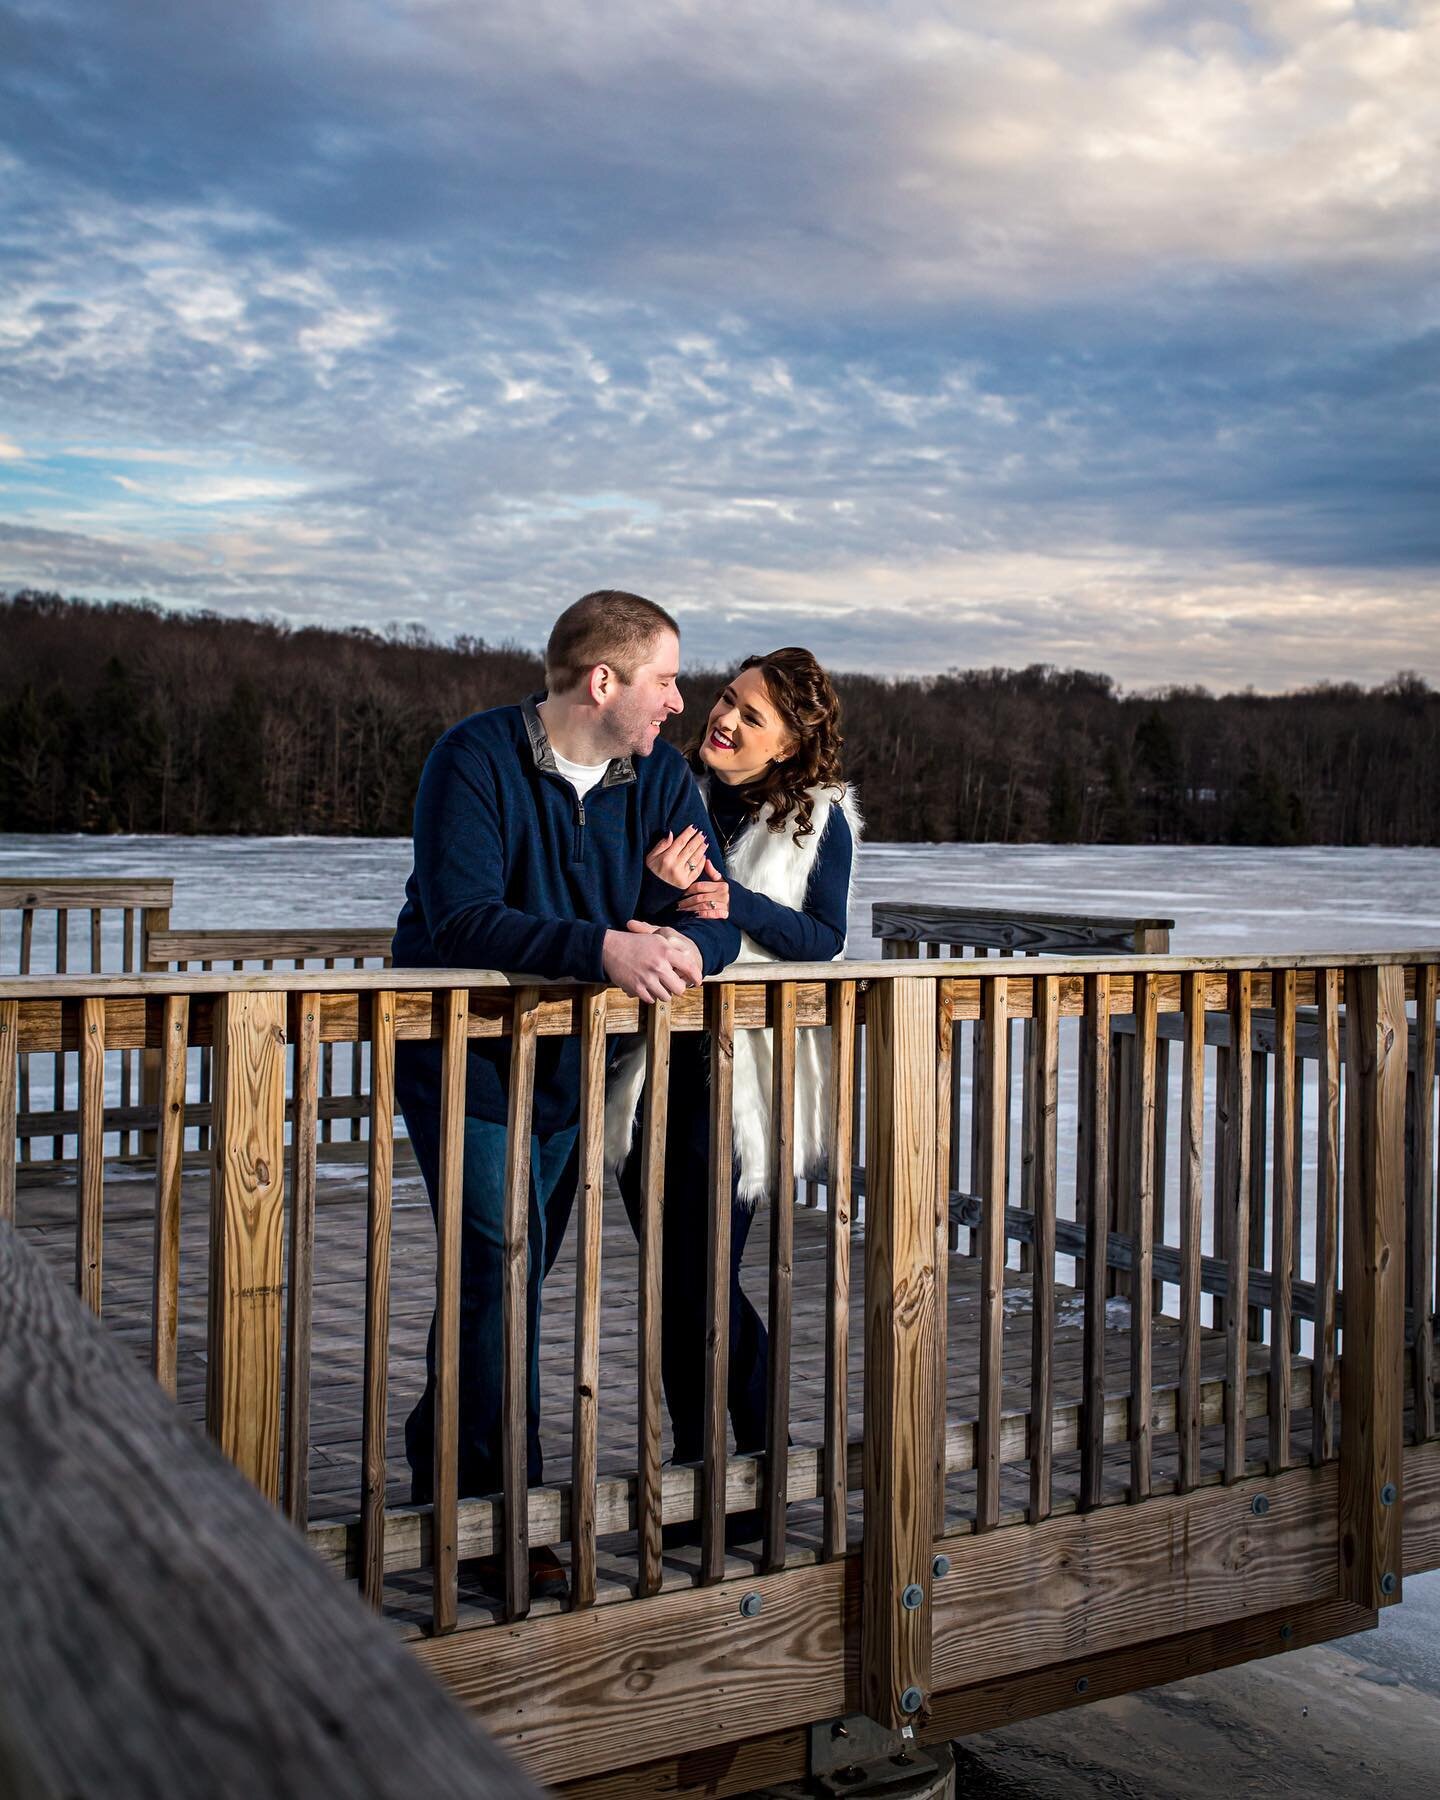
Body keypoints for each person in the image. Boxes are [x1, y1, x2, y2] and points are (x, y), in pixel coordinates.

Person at [392, 590, 740, 1599]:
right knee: (499, 1273)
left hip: (578, 1069)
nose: (681, 702)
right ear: (604, 682)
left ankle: (444, 1471)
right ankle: (504, 1522)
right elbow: (462, 918)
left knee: (510, 1276)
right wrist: (604, 946)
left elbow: (711, 909)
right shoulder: (476, 758)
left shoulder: (660, 776)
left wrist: (683, 939)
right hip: (471, 1064)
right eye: (666, 679)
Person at [604, 647, 859, 1540]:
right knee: (678, 1280)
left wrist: (732, 903)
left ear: (791, 743)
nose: (725, 719)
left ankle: (737, 1470)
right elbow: (623, 905)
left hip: (734, 1070)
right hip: (650, 1062)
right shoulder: (666, 787)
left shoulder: (818, 821)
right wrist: (660, 887)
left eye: (753, 716)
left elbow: (822, 938)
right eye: (727, 700)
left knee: (703, 1279)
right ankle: (716, 1466)